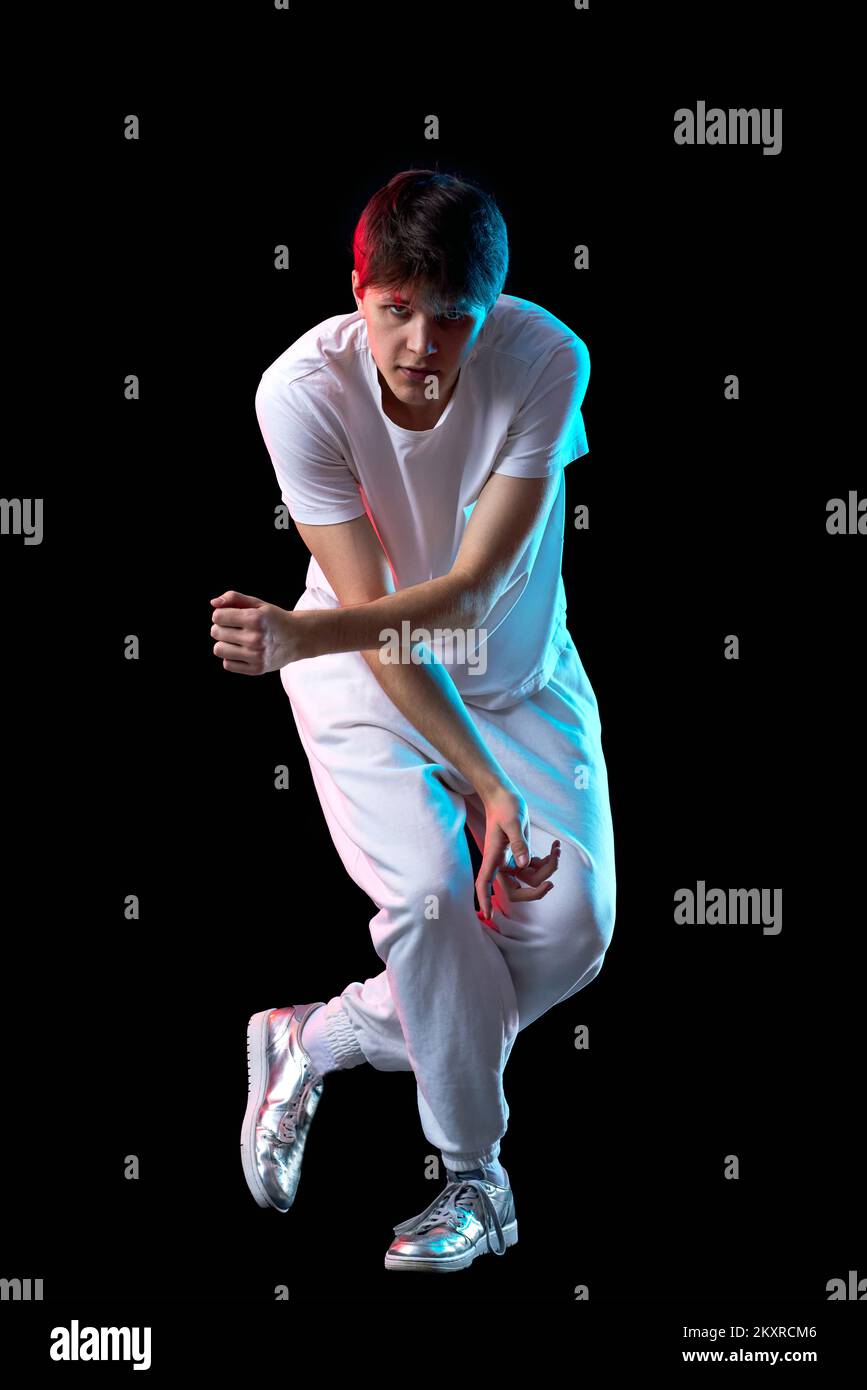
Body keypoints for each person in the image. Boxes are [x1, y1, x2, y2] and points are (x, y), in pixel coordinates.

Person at [228, 169, 617, 1273]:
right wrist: (482, 788)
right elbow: (375, 623)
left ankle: (315, 1036)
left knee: (570, 933)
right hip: (361, 670)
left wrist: (497, 772)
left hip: (516, 673)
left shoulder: (547, 359)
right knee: (435, 907)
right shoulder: (298, 391)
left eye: (453, 317)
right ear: (359, 290)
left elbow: (479, 589)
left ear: (491, 310)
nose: (422, 343)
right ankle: (474, 1180)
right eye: (396, 308)